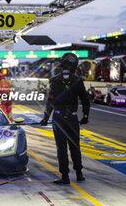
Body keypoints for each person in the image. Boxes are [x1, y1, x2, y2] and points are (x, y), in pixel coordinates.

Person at [40, 53, 90, 184]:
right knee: (75, 147)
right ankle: (79, 174)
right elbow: (86, 100)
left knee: (61, 148)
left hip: (58, 117)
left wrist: (45, 118)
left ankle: (65, 177)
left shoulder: (54, 80)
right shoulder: (78, 80)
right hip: (72, 118)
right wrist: (85, 116)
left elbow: (50, 102)